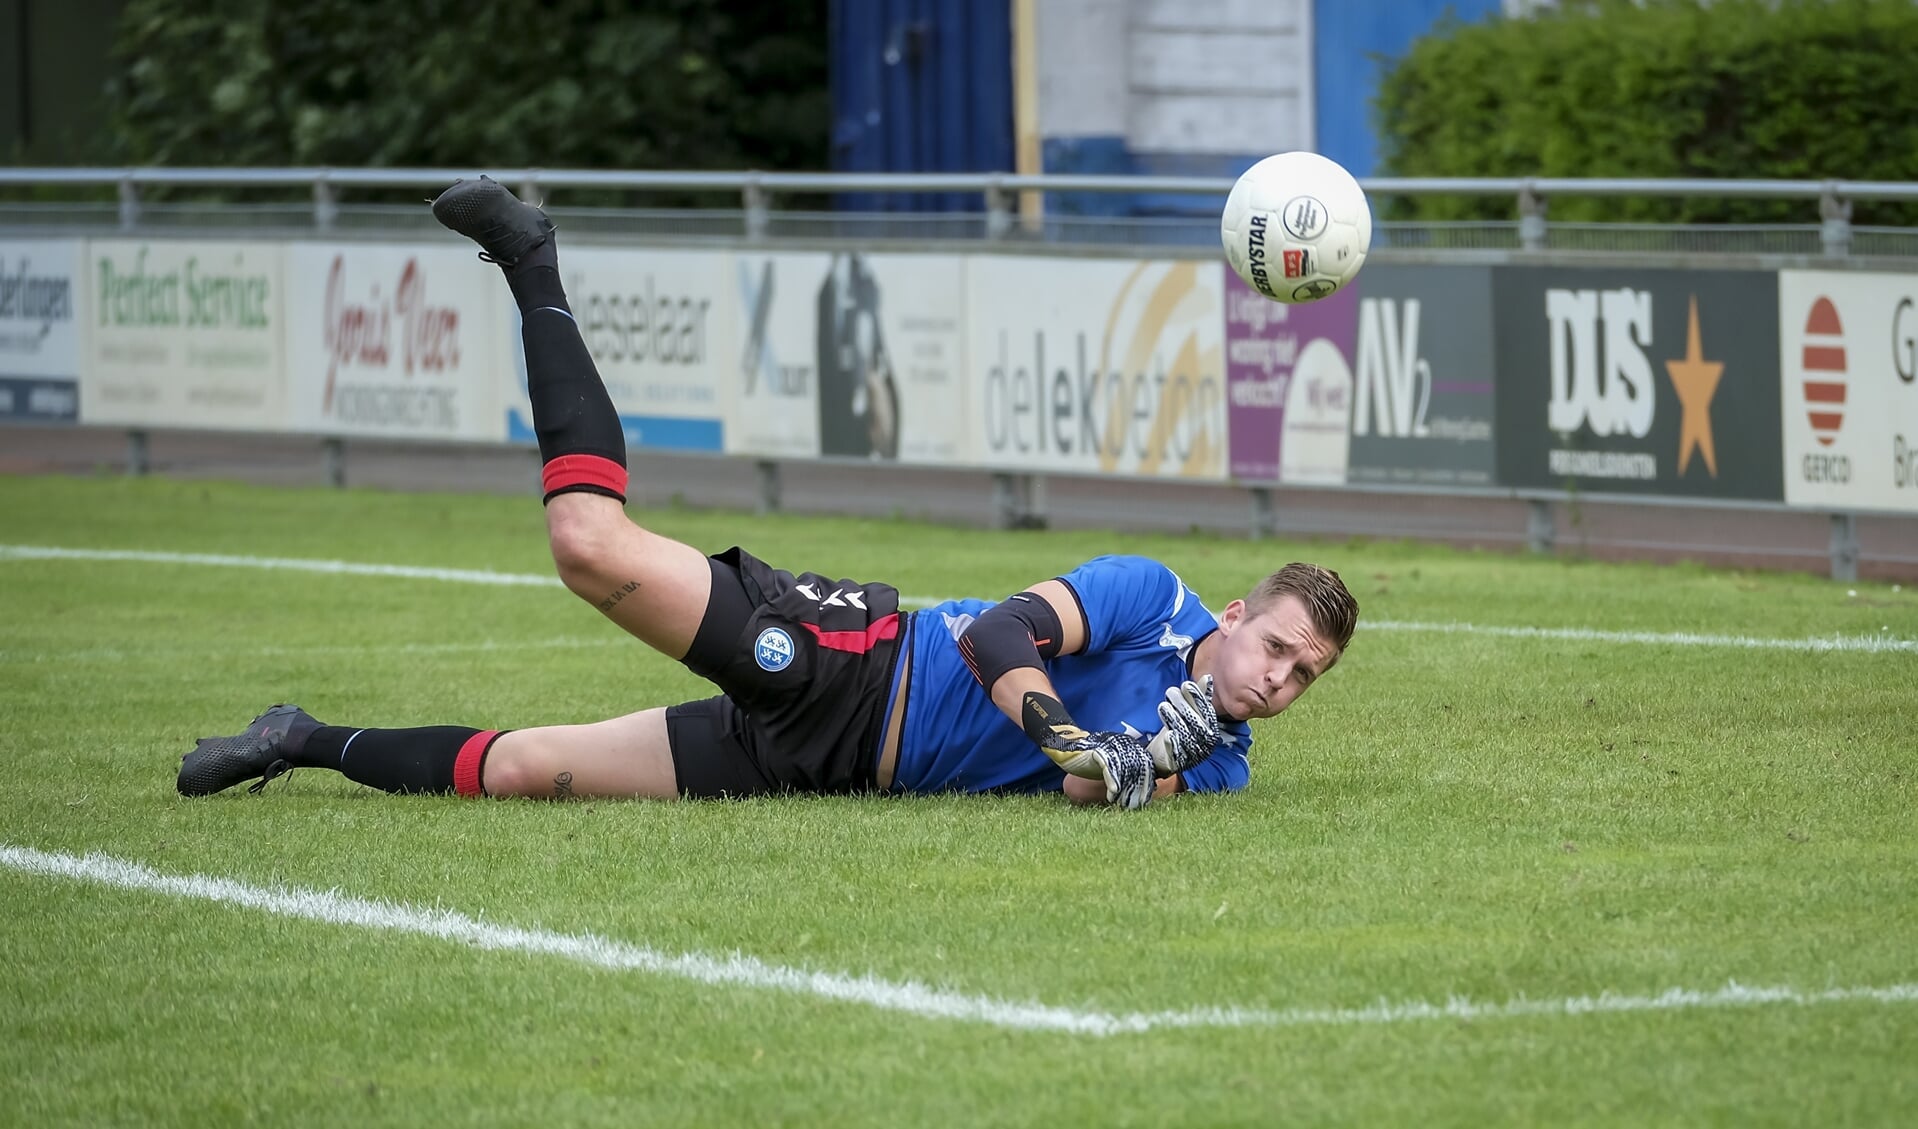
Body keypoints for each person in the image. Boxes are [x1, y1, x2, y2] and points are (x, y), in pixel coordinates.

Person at [178, 178, 1359, 811]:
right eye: (1279, 647)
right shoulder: (1151, 597)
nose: (1279, 680)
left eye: (1303, 676)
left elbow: (1075, 789)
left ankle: (301, 738)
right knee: (588, 543)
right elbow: (1003, 629)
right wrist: (1069, 725)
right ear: (1239, 616)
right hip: (857, 662)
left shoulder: (1220, 759)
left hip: (825, 768)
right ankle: (530, 256)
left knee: (528, 771)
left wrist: (1141, 755)